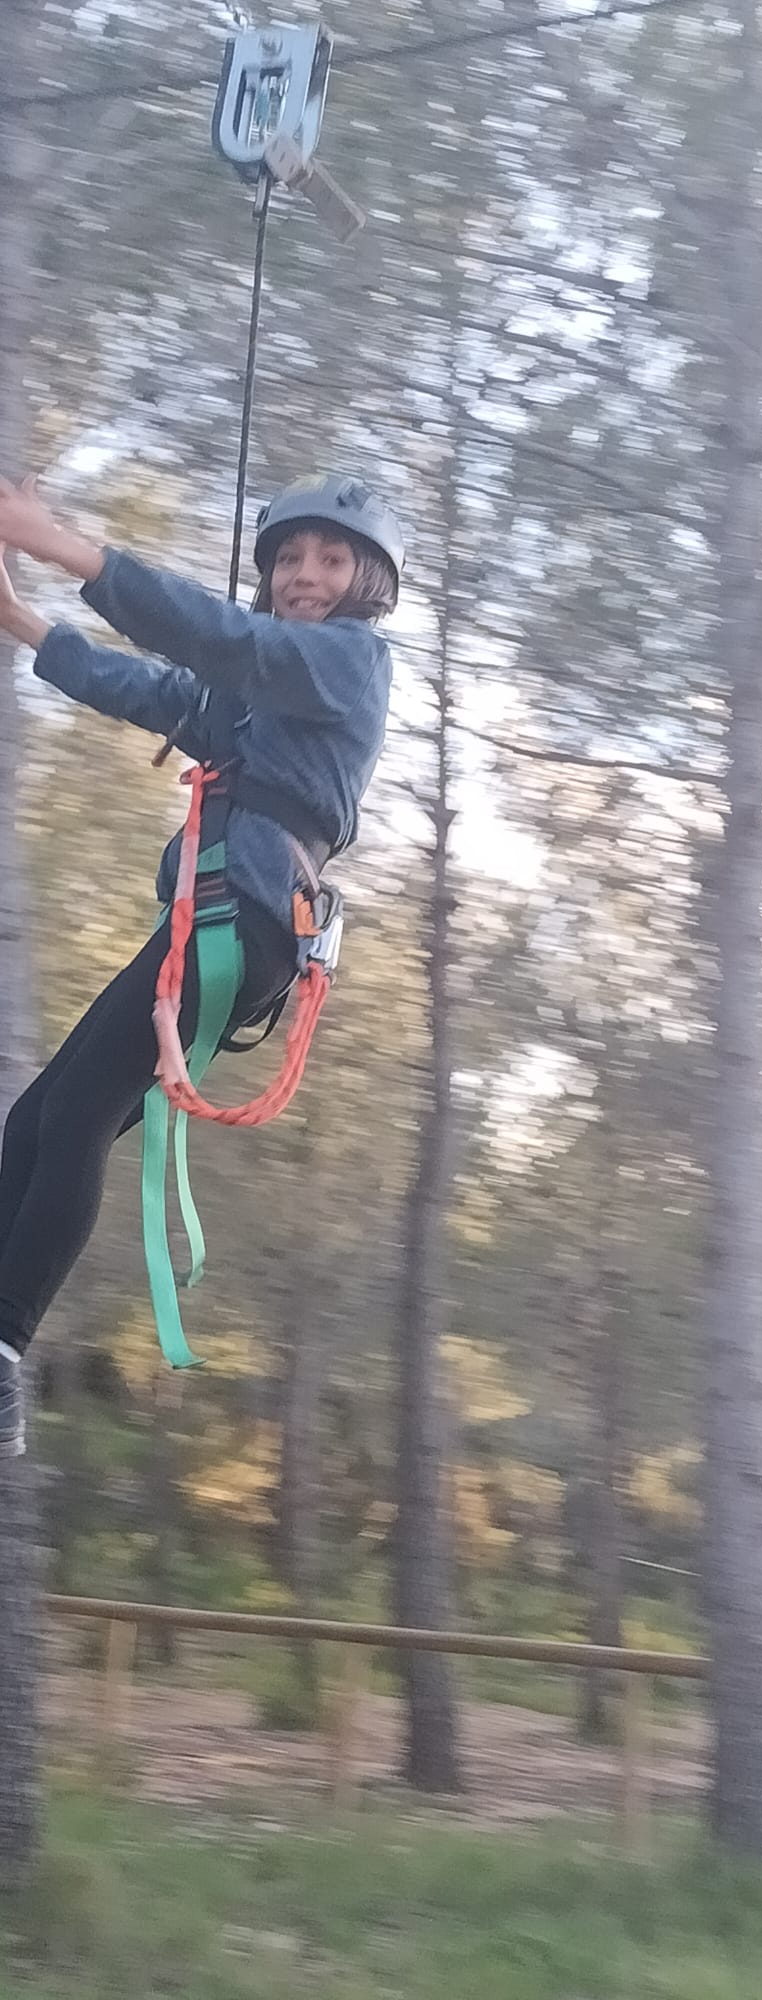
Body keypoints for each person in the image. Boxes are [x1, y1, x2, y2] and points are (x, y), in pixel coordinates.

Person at [0, 470, 404, 1456]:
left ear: (367, 581)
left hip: (244, 921)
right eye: (289, 557)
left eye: (331, 558)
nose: (304, 573)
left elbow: (224, 640)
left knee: (77, 1115)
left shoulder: (350, 662)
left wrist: (59, 544)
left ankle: (4, 1352)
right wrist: (21, 620)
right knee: (38, 1120)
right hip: (213, 915)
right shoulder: (262, 695)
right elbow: (156, 689)